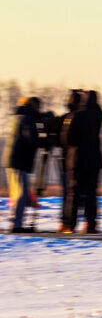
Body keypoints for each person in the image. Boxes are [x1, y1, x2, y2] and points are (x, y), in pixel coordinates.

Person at [65, 90, 102, 234]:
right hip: (94, 159)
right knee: (92, 194)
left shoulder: (76, 116)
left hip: (77, 159)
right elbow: (99, 109)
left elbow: (67, 138)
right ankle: (91, 224)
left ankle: (71, 224)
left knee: (74, 193)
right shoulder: (99, 116)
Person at [5, 97, 41, 233]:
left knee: (21, 194)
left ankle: (17, 222)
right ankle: (16, 224)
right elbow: (31, 137)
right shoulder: (26, 118)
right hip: (19, 162)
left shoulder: (21, 116)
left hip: (15, 161)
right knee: (21, 194)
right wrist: (41, 140)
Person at [57, 90, 84, 233]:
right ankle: (70, 222)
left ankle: (67, 223)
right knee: (74, 193)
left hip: (70, 160)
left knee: (69, 193)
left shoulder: (68, 118)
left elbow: (64, 139)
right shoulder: (88, 117)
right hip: (80, 160)